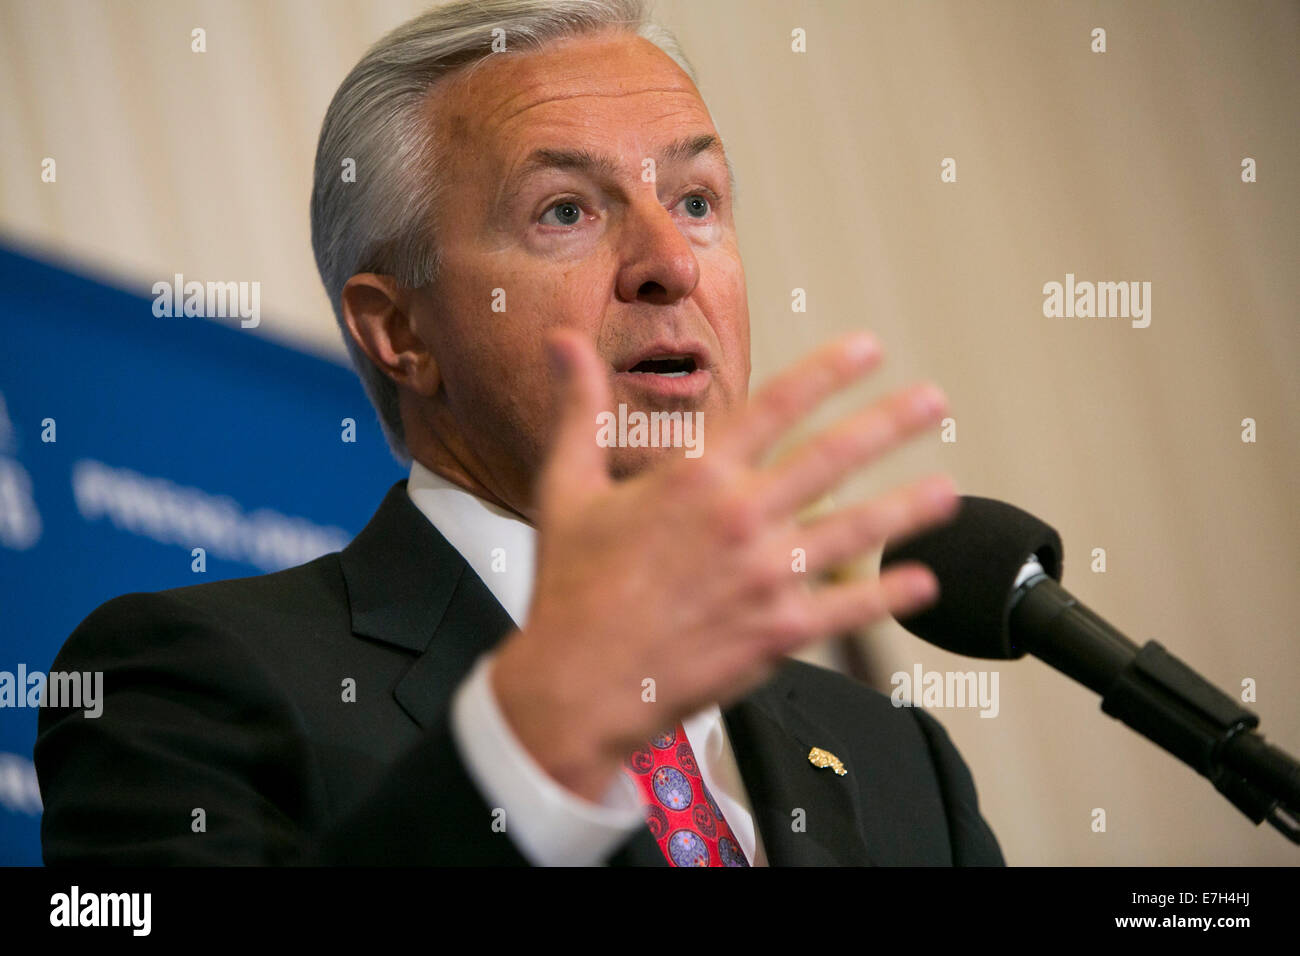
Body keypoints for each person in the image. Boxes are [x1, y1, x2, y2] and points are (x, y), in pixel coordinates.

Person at [35, 0, 1004, 867]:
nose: (670, 261)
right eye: (566, 211)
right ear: (400, 332)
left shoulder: (898, 761)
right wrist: (529, 750)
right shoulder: (185, 685)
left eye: (695, 199)